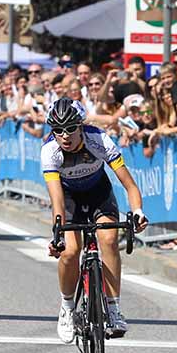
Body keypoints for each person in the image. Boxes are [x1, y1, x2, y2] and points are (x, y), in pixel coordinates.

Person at [41, 98, 148, 340]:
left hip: (98, 191)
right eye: (58, 130)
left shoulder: (99, 140)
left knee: (109, 239)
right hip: (69, 197)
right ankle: (67, 308)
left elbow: (129, 185)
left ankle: (113, 308)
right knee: (70, 251)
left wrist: (138, 211)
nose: (65, 136)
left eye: (70, 128)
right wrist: (57, 235)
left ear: (80, 126)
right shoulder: (49, 151)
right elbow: (57, 200)